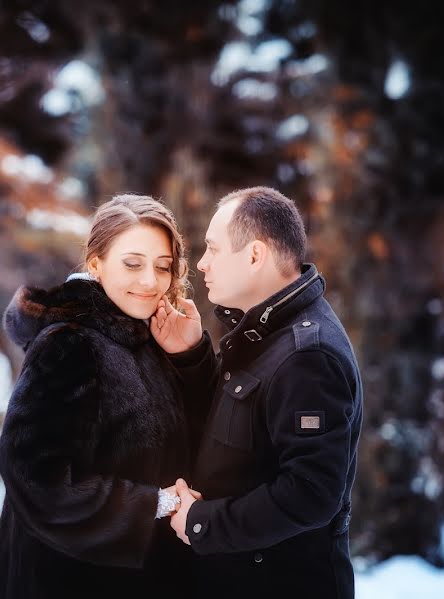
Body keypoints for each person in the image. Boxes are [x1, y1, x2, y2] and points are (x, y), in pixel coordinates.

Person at [0, 194, 202, 598]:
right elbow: (36, 476)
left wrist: (191, 356)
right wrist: (155, 503)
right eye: (133, 263)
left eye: (163, 267)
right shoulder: (69, 344)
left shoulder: (146, 338)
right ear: (96, 263)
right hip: (66, 581)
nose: (150, 281)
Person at [150, 186, 363, 598]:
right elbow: (241, 429)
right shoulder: (263, 332)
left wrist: (201, 522)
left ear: (254, 255)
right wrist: (193, 355)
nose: (202, 263)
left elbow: (311, 494)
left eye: (213, 249)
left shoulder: (308, 356)